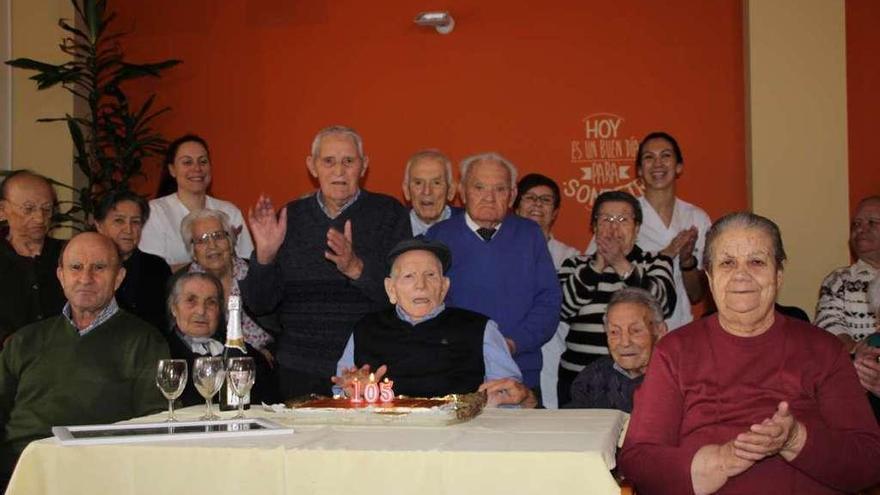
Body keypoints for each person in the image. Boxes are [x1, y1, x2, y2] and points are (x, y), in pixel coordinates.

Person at [618, 212, 880, 494]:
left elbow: (869, 461)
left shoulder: (823, 349)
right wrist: (721, 461)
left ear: (778, 275)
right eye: (727, 262)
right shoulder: (675, 351)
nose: (741, 274)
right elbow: (638, 459)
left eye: (756, 261)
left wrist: (795, 439)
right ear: (709, 276)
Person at [242, 125, 411, 398]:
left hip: (368, 365)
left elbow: (405, 298)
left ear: (364, 165)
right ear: (312, 166)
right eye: (328, 161)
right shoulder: (290, 217)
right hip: (299, 366)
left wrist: (356, 268)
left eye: (348, 161)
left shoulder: (389, 214)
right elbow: (260, 304)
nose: (339, 171)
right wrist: (265, 256)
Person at [0, 232, 169, 483]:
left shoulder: (144, 342)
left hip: (96, 474)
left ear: (119, 278)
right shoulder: (25, 340)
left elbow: (153, 426)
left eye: (99, 268)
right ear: (61, 276)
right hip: (18, 471)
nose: (85, 278)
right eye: (76, 267)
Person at [332, 238, 536, 408]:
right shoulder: (365, 329)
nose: (421, 285)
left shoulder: (480, 329)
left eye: (430, 275)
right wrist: (351, 392)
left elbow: (510, 398)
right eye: (409, 276)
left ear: (444, 286)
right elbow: (341, 392)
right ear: (391, 289)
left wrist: (510, 399)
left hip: (461, 440)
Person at [425, 152, 561, 395]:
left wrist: (512, 344)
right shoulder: (438, 237)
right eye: (479, 187)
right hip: (456, 372)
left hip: (521, 370)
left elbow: (548, 302)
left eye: (499, 189)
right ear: (462, 191)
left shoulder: (530, 235)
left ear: (512, 195)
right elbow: (428, 306)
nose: (489, 197)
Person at [558, 190, 675, 406]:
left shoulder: (656, 262)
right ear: (594, 227)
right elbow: (563, 308)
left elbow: (663, 304)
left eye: (622, 219)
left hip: (641, 380)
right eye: (606, 219)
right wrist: (597, 266)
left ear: (637, 227)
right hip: (577, 379)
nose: (614, 227)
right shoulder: (574, 265)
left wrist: (620, 263)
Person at [587, 132, 711, 330]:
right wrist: (666, 255)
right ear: (639, 170)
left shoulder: (697, 218)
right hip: (629, 329)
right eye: (649, 157)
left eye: (666, 156)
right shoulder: (621, 216)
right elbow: (594, 277)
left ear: (679, 166)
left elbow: (696, 296)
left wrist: (687, 261)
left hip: (679, 327)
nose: (658, 164)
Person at [140, 134, 253, 271]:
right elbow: (152, 272)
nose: (197, 168)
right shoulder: (154, 212)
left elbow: (247, 264)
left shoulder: (230, 212)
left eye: (203, 161)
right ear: (172, 170)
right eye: (187, 162)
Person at [513, 173, 579, 408]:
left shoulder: (571, 257)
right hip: (512, 352)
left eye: (546, 200)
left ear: (556, 211)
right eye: (530, 197)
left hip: (556, 352)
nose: (537, 204)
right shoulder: (502, 250)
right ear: (516, 205)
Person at [165, 271, 278, 406]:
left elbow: (272, 405)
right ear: (174, 308)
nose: (201, 311)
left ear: (219, 310)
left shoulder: (246, 355)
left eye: (211, 302)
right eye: (191, 300)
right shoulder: (162, 353)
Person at [181, 209, 275, 356]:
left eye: (218, 236)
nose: (212, 245)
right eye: (202, 240)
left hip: (265, 357)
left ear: (230, 241)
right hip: (208, 360)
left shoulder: (256, 273)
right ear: (193, 250)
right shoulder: (182, 285)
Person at [566, 287, 667, 412]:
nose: (625, 343)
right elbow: (573, 423)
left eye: (635, 331)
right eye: (614, 332)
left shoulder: (679, 378)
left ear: (660, 331)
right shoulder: (594, 375)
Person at [0, 170, 65, 343]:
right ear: (2, 210)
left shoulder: (69, 255)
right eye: (28, 209)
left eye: (47, 209)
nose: (39, 218)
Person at [93, 189, 172, 332]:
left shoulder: (158, 268)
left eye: (135, 222)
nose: (128, 229)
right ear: (99, 225)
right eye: (119, 221)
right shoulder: (86, 269)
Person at [815, 195, 880, 349]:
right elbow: (828, 324)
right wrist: (858, 354)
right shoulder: (839, 280)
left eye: (872, 223)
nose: (860, 229)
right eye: (856, 224)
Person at [402, 150, 461, 236]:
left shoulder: (471, 225)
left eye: (436, 183)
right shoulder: (389, 227)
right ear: (406, 190)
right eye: (418, 183)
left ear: (451, 191)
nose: (427, 191)